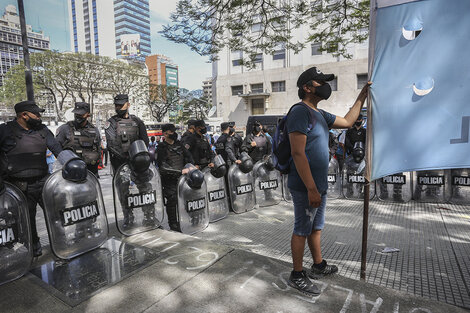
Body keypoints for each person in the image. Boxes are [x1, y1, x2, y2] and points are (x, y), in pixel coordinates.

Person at [286, 66, 370, 296]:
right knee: (302, 228)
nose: (325, 86)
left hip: (318, 185)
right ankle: (296, 274)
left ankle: (318, 265)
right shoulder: (300, 112)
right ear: (306, 87)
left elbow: (348, 121)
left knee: (316, 227)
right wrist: (311, 188)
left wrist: (362, 96)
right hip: (306, 185)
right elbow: (298, 153)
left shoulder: (320, 114)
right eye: (320, 82)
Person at [0, 100, 62, 256]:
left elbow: (57, 149)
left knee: (55, 214)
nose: (39, 117)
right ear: (24, 115)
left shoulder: (42, 130)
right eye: (36, 114)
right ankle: (33, 247)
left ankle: (60, 243)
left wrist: (72, 162)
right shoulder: (4, 130)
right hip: (19, 185)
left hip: (43, 181)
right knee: (27, 220)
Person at [105, 94, 149, 227]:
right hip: (121, 164)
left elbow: (144, 140)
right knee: (124, 192)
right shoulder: (111, 123)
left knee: (146, 189)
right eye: (116, 105)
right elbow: (112, 144)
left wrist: (140, 158)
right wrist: (128, 159)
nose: (118, 107)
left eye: (121, 105)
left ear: (128, 104)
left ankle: (149, 216)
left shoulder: (137, 121)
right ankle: (128, 217)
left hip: (138, 164)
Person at [157, 123, 193, 231]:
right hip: (169, 180)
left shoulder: (179, 144)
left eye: (174, 131)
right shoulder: (161, 148)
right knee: (172, 202)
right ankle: (173, 224)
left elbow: (188, 156)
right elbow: (162, 167)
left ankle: (186, 219)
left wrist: (191, 166)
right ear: (165, 133)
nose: (173, 134)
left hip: (182, 179)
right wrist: (180, 171)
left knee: (185, 199)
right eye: (171, 132)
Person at [56, 102, 101, 176]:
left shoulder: (94, 130)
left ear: (88, 114)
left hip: (90, 171)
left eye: (81, 114)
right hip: (71, 172)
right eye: (76, 114)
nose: (78, 116)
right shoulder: (65, 129)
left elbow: (98, 148)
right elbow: (57, 149)